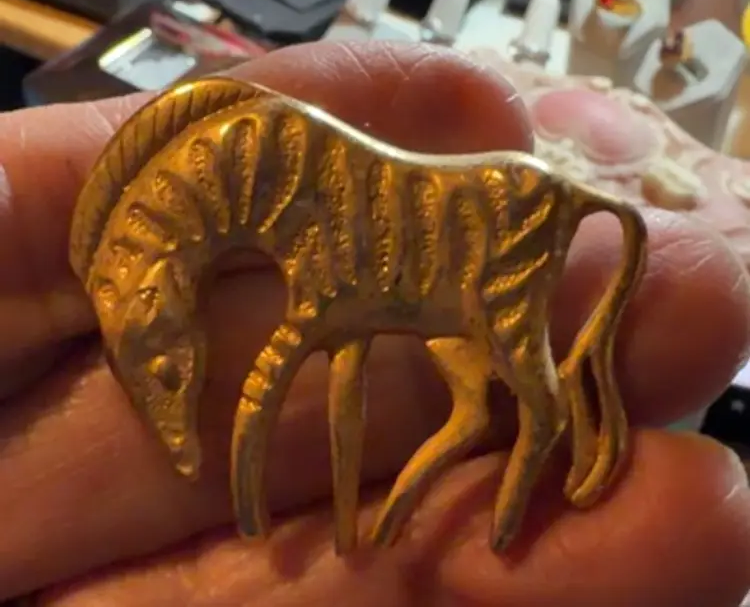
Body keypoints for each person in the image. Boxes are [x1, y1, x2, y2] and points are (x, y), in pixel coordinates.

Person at [0, 41, 748, 606]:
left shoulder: (344, 193)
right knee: (448, 396)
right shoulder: (268, 190)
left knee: (517, 381)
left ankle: (494, 495)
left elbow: (326, 301)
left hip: (407, 270)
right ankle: (413, 501)